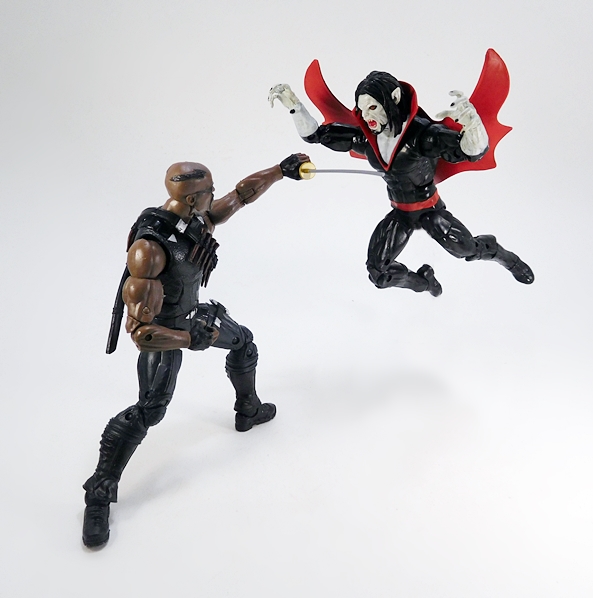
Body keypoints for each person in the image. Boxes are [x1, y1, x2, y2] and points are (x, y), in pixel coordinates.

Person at [83, 153, 309, 548]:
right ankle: (100, 491)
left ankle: (248, 409)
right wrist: (189, 340)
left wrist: (279, 171)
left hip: (194, 317)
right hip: (166, 331)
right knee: (150, 409)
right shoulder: (150, 250)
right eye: (208, 192)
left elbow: (239, 197)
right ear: (192, 198)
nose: (214, 196)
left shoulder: (195, 219)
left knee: (243, 343)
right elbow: (141, 333)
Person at [269, 52, 533, 296]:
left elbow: (472, 151)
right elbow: (317, 135)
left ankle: (507, 258)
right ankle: (425, 283)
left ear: (394, 99)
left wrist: (472, 122)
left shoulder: (422, 135)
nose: (366, 117)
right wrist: (295, 106)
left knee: (465, 248)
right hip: (400, 213)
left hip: (431, 210)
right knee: (378, 272)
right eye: (362, 110)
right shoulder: (367, 137)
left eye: (373, 108)